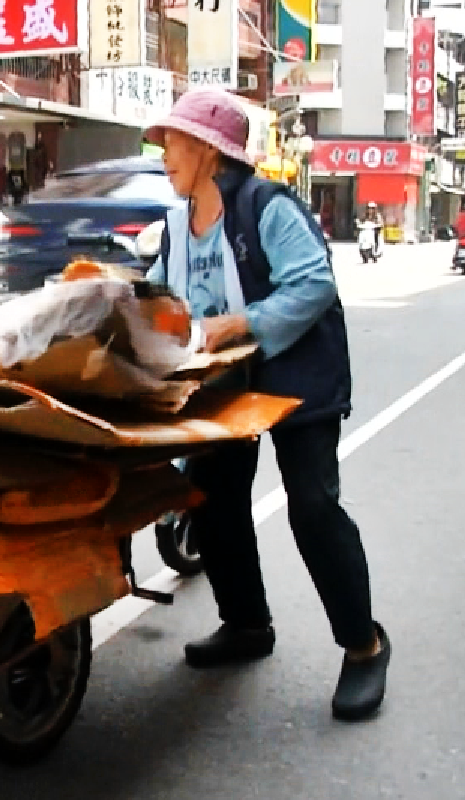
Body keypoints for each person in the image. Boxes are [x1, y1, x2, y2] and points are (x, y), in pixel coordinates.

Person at [143, 87, 391, 722]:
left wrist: (238, 324)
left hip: (296, 375)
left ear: (205, 149)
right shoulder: (175, 223)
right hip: (224, 386)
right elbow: (173, 306)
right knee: (215, 501)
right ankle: (247, 624)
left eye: (172, 141)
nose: (164, 153)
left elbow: (313, 286)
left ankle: (364, 646)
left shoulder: (266, 207)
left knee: (312, 508)